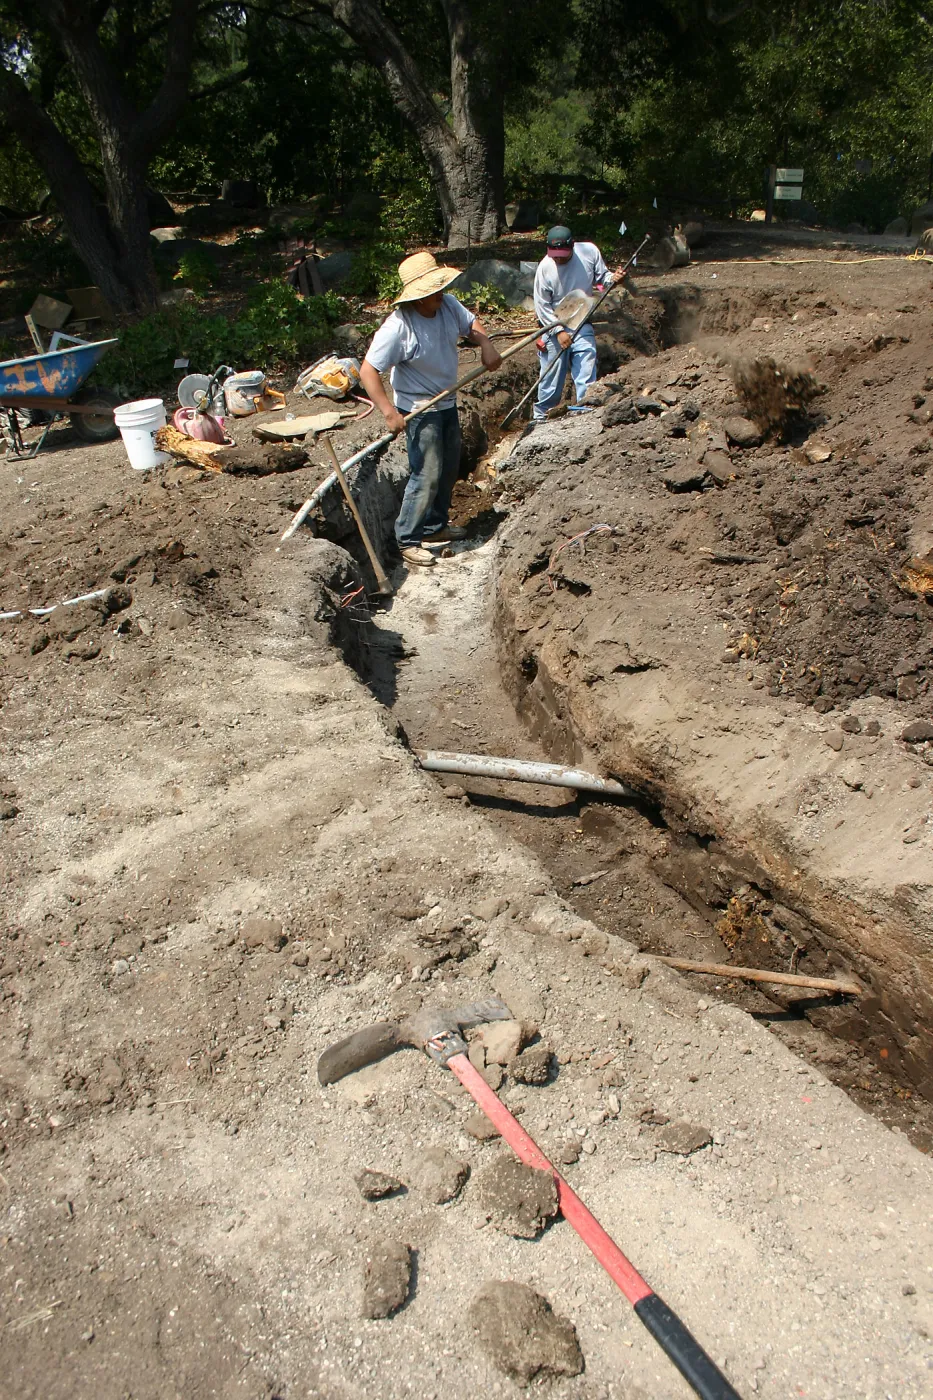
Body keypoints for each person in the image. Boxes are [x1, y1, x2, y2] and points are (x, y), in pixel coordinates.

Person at [360, 251, 502, 568]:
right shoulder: (398, 328)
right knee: (426, 473)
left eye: (439, 288)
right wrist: (388, 412)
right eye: (431, 292)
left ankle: (434, 526)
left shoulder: (447, 305)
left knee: (449, 467)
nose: (439, 294)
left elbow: (471, 324)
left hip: (446, 400)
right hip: (419, 408)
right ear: (416, 298)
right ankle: (408, 538)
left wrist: (487, 345)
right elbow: (368, 371)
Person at [532, 225, 622, 423]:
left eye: (562, 254)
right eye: (554, 255)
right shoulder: (545, 268)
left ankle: (584, 409)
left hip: (581, 320)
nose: (558, 259)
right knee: (552, 374)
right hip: (554, 323)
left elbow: (602, 278)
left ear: (572, 246)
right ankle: (542, 415)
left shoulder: (589, 252)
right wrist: (558, 332)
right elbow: (542, 306)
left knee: (586, 364)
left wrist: (612, 279)